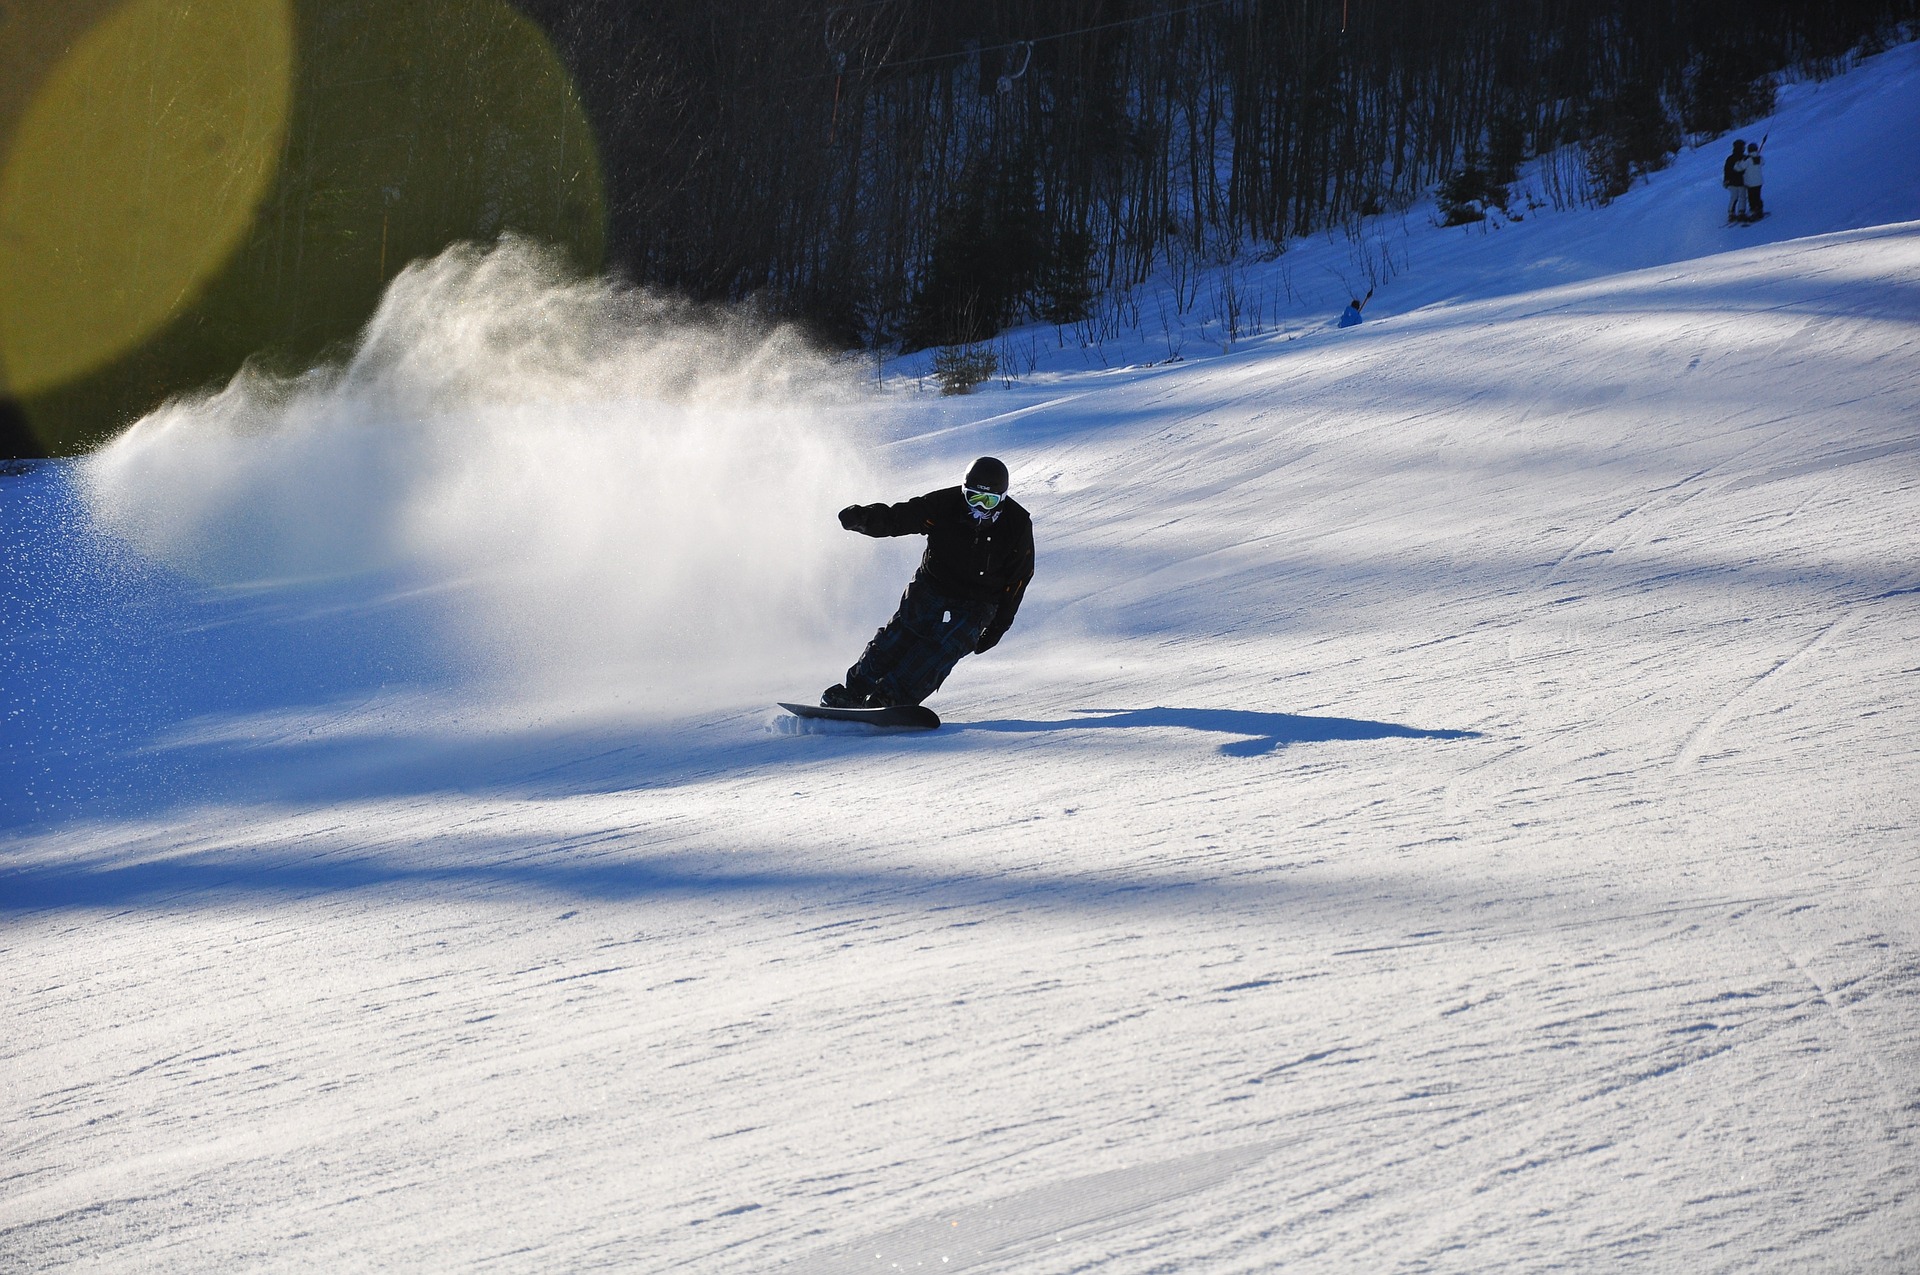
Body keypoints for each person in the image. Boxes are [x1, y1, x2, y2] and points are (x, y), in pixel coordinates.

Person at [823, 456, 1034, 709]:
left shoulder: (1017, 524)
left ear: (1003, 498)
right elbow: (901, 517)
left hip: (979, 600)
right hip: (934, 583)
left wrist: (999, 626)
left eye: (989, 501)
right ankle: (856, 689)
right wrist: (866, 519)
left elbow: (1018, 579)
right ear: (963, 491)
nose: (980, 507)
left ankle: (892, 697)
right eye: (973, 497)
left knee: (945, 645)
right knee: (904, 630)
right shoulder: (945, 504)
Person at [1723, 140, 1750, 222]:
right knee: (1742, 197)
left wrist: (1726, 180)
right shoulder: (1744, 158)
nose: (1744, 148)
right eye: (1743, 147)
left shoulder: (1730, 158)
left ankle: (1731, 213)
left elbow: (1726, 170)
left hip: (1732, 182)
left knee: (1734, 197)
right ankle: (1741, 212)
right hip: (1741, 181)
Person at [1740, 140, 1765, 220]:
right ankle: (1760, 209)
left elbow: (1741, 167)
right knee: (1757, 196)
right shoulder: (1760, 158)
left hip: (1750, 183)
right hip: (1759, 182)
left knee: (1751, 197)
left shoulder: (1747, 159)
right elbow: (1763, 163)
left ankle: (1754, 210)